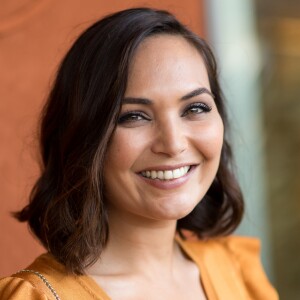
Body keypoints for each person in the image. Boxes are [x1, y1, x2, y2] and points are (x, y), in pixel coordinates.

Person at [0, 7, 278, 300]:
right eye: (134, 116)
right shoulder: (39, 297)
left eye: (195, 108)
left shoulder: (236, 272)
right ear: (85, 138)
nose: (173, 144)